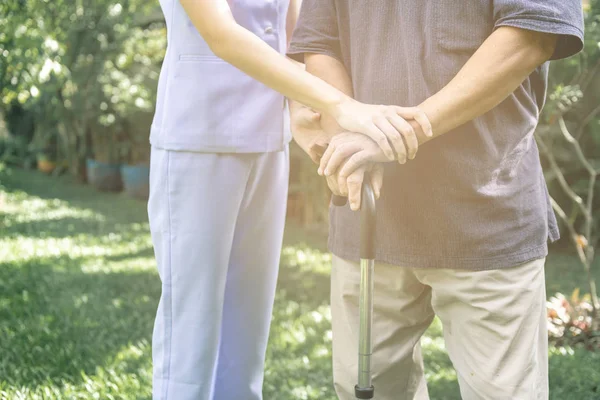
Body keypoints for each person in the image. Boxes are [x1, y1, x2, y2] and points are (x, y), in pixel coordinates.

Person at [288, 1, 584, 399]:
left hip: (485, 221)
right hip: (370, 224)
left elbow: (531, 34)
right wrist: (351, 137)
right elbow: (320, 43)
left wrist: (394, 135)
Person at [146, 0, 432, 399]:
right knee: (191, 328)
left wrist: (301, 109)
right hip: (199, 137)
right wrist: (341, 105)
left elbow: (295, 34)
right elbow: (222, 34)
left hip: (267, 138)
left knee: (248, 326)